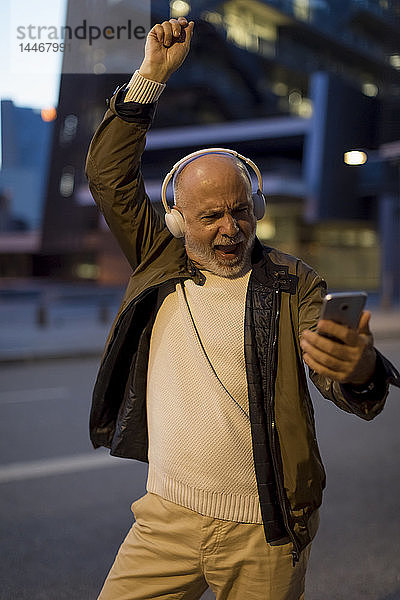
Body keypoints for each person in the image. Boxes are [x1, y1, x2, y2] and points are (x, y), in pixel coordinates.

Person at [86, 17, 400, 600]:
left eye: (240, 211)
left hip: (266, 528)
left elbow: (343, 379)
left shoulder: (292, 282)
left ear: (255, 203)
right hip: (164, 519)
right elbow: (107, 176)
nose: (230, 229)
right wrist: (151, 76)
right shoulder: (159, 257)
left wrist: (356, 369)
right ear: (179, 220)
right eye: (210, 217)